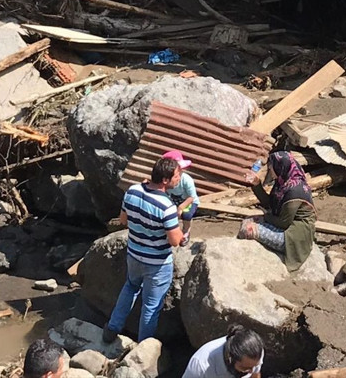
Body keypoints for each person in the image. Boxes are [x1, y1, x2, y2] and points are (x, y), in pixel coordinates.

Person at [103, 156, 184, 343]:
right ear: (165, 180)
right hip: (157, 264)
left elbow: (123, 221)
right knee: (151, 306)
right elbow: (174, 241)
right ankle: (143, 346)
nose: (179, 179)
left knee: (130, 287)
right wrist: (182, 236)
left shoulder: (132, 191)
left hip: (134, 254)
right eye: (177, 176)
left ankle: (112, 328)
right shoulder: (167, 207)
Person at [238, 151, 316, 271]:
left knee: (248, 229)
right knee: (248, 220)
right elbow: (270, 204)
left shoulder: (294, 191)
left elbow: (283, 222)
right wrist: (256, 184)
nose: (270, 170)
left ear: (280, 166)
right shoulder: (283, 182)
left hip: (293, 235)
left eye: (271, 167)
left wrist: (265, 216)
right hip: (284, 224)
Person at [183, 324, 265, 378]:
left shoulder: (256, 353)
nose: (251, 371)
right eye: (245, 368)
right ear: (230, 358)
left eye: (255, 366)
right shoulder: (200, 366)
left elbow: (255, 375)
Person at [162, 149, 199, 246]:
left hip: (189, 201)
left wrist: (181, 208)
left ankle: (186, 230)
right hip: (174, 200)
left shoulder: (187, 180)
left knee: (186, 215)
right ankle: (173, 231)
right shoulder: (166, 180)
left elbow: (192, 197)